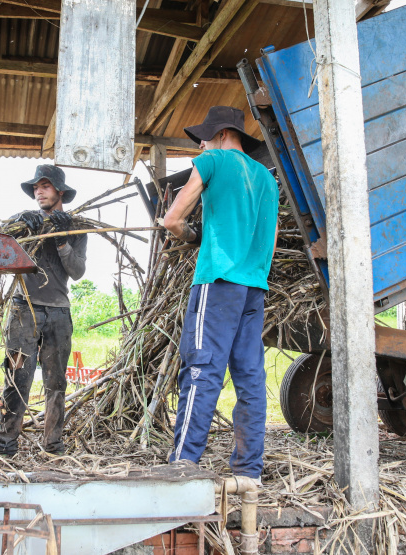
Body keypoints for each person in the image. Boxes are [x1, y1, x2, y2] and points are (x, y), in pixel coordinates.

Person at [162, 106, 278, 484]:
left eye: (205, 134)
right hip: (254, 287)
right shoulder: (266, 178)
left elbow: (173, 219)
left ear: (223, 133)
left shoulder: (211, 160)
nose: (201, 141)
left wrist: (192, 237)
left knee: (201, 367)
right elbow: (270, 243)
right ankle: (248, 472)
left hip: (218, 282)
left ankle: (184, 462)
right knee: (249, 378)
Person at [0, 164, 87, 456]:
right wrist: (23, 236)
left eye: (44, 186)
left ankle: (53, 444)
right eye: (35, 188)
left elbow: (78, 271)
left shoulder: (75, 227)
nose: (38, 192)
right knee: (17, 377)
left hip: (59, 313)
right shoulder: (23, 221)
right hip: (24, 311)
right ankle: (6, 444)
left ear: (59, 191)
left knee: (56, 382)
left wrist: (61, 242)